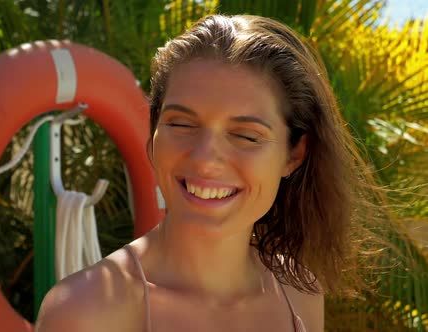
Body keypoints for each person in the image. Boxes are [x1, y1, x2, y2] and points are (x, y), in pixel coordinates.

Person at [34, 14, 378, 332]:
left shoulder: (300, 291)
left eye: (245, 135)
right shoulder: (86, 312)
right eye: (181, 124)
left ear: (294, 154)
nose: (205, 159)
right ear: (153, 136)